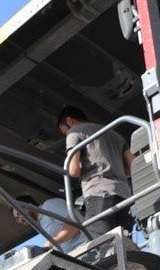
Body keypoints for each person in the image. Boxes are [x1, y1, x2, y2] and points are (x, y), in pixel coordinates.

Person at [57, 106, 134, 239]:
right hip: (124, 196)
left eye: (64, 132)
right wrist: (118, 173)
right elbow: (134, 165)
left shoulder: (74, 132)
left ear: (69, 121)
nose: (66, 134)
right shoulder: (115, 135)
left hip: (99, 193)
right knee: (126, 247)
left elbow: (73, 170)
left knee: (100, 245)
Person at [12, 194, 87, 253]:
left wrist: (52, 242)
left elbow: (75, 225)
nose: (20, 219)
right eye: (17, 218)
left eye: (19, 213)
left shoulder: (49, 205)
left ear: (29, 205)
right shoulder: (40, 226)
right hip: (74, 255)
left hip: (85, 246)